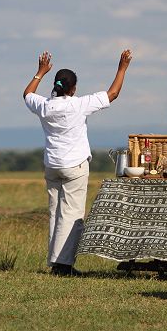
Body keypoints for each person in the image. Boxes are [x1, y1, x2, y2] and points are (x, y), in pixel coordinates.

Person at [23, 49, 132, 276]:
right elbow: (113, 94)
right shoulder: (79, 104)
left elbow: (27, 94)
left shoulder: (44, 106)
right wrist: (122, 68)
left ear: (55, 85)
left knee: (55, 212)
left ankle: (55, 263)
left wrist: (40, 72)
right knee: (71, 215)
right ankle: (64, 266)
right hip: (74, 166)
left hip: (52, 165)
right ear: (73, 89)